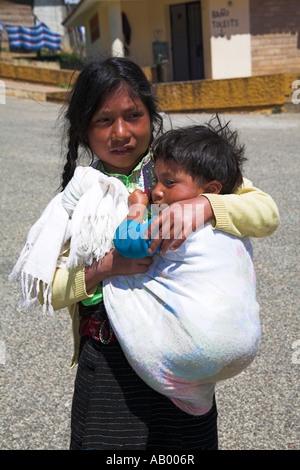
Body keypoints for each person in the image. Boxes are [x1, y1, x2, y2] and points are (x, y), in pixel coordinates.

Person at [10, 56, 279, 450]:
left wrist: (205, 206)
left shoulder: (185, 172)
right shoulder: (80, 199)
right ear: (84, 130)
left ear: (151, 116)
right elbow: (49, 289)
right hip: (108, 365)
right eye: (104, 120)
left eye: (133, 115)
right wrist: (104, 268)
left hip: (177, 357)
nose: (122, 132)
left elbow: (266, 213)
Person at [79, 118, 260, 417]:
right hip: (245, 341)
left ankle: (183, 388)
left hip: (198, 342)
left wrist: (136, 208)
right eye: (157, 181)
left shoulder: (171, 222)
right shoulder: (227, 216)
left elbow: (126, 243)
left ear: (211, 189)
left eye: (169, 183)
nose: (157, 192)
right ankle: (196, 393)